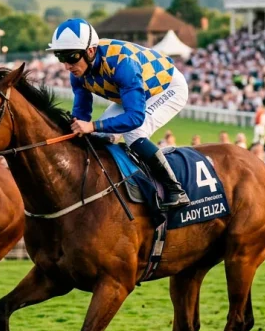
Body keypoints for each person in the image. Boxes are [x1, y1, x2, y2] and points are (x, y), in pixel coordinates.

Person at [48, 18, 190, 208]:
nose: (67, 65)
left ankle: (175, 190)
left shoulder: (123, 64)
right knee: (100, 136)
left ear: (90, 51)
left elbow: (135, 117)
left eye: (72, 57)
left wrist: (92, 126)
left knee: (134, 133)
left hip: (166, 87)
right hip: (133, 94)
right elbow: (82, 114)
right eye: (61, 57)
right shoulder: (78, 73)